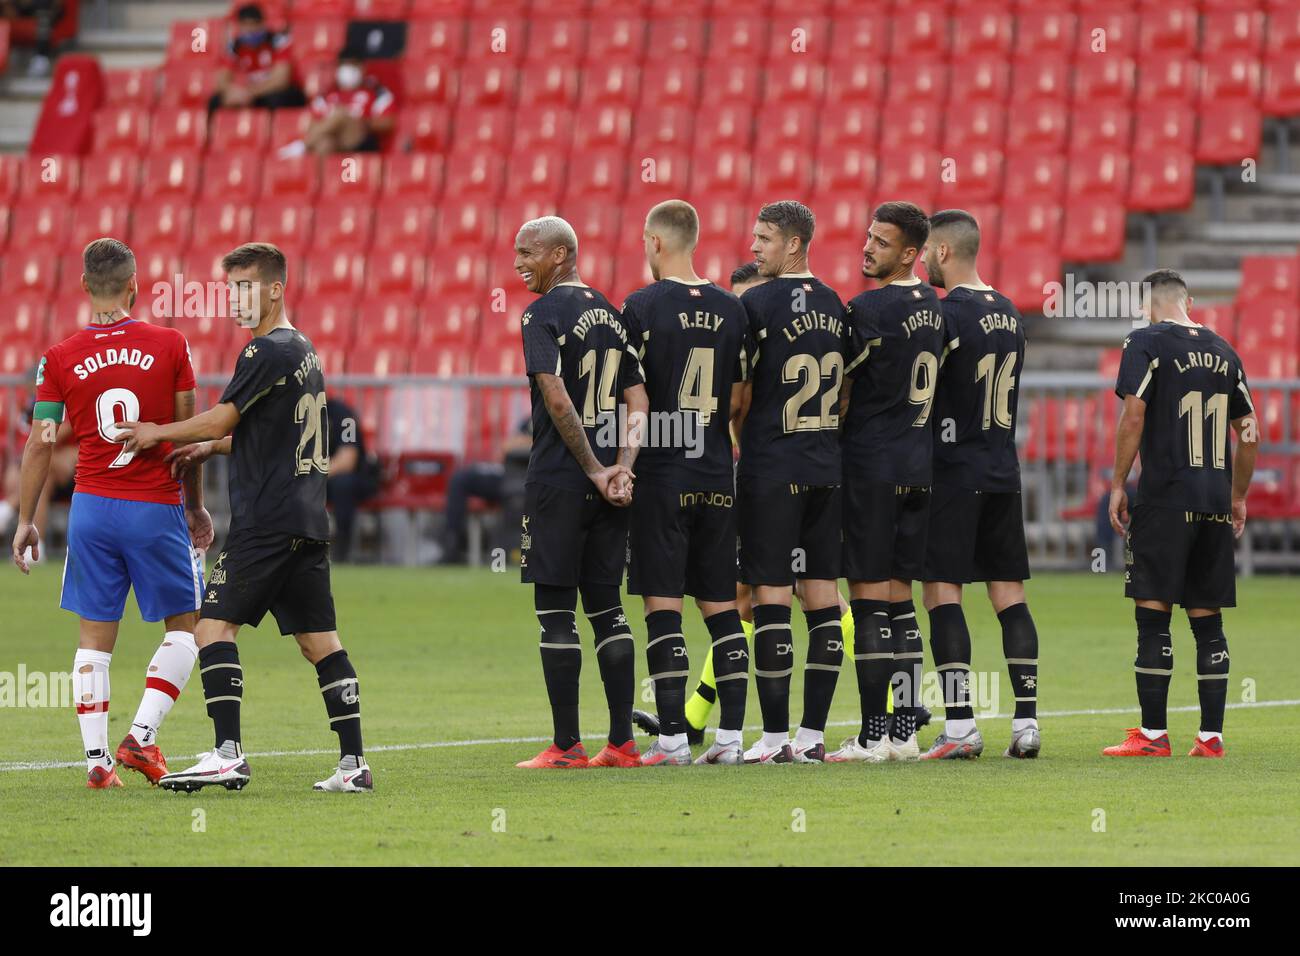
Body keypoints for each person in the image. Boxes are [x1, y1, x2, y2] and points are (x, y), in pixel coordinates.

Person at [117, 242, 372, 793]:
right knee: (319, 642)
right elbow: (275, 434)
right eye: (230, 288)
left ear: (275, 288)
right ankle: (355, 765)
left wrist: (159, 432)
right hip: (307, 519)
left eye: (246, 287)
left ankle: (227, 753)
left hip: (268, 519)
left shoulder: (265, 351)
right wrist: (216, 450)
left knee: (211, 628)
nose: (235, 299)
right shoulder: (304, 349)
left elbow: (220, 416)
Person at [9, 237, 210, 789]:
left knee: (93, 643)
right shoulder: (171, 344)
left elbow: (40, 445)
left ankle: (97, 764)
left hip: (91, 510)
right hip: (152, 507)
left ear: (83, 287)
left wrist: (27, 520)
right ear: (135, 286)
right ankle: (140, 737)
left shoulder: (59, 357)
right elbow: (187, 439)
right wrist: (195, 507)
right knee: (185, 633)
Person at [511, 216, 648, 769]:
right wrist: (623, 467)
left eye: (528, 253)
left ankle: (566, 745)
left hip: (560, 480)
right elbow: (640, 402)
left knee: (555, 612)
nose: (519, 263)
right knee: (609, 609)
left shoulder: (540, 315)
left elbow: (557, 399)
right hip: (609, 486)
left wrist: (594, 468)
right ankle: (621, 744)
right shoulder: (614, 317)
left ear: (562, 254)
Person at [1103, 270, 1257, 759]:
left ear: (1149, 304)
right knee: (1207, 622)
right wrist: (1237, 496)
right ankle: (1211, 737)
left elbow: (1134, 413)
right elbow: (1249, 432)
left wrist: (1117, 483)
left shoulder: (1144, 342)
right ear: (1188, 301)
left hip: (1165, 499)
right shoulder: (1225, 351)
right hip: (1213, 502)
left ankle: (1152, 736)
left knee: (1153, 618)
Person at [620, 200, 750, 767]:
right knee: (723, 608)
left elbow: (631, 398)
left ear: (654, 241)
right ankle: (730, 740)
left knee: (662, 607)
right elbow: (741, 397)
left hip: (663, 474)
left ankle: (671, 738)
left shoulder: (641, 307)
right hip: (718, 471)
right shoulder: (732, 308)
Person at [920, 209, 1042, 760]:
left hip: (953, 472)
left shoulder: (947, 315)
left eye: (926, 251)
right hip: (1002, 470)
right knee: (1009, 596)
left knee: (943, 594)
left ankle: (962, 726)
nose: (923, 260)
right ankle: (1026, 723)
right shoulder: (1011, 314)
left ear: (943, 252)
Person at [828, 201, 942, 764]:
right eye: (868, 236)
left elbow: (841, 393)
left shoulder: (867, 309)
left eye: (882, 241)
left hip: (871, 469)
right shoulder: (936, 308)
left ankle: (873, 737)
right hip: (919, 469)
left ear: (909, 253)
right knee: (901, 606)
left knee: (869, 605)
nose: (867, 247)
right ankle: (903, 732)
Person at [735, 201, 847, 764]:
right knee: (824, 598)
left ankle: (775, 737)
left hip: (772, 468)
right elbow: (846, 394)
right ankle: (813, 736)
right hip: (825, 467)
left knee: (771, 598)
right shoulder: (835, 304)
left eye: (764, 239)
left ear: (794, 245)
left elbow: (738, 394)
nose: (754, 247)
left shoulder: (756, 303)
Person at [439, 417, 531, 565]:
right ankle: (452, 545)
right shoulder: (531, 419)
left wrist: (527, 444)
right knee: (460, 479)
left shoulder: (562, 414)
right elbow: (508, 447)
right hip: (509, 474)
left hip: (536, 478)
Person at [295, 49, 395, 156]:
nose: (347, 70)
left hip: (361, 138)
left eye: (352, 65)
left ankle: (302, 146)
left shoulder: (376, 92)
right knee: (325, 144)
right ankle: (323, 171)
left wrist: (358, 121)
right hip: (337, 139)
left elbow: (388, 122)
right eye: (343, 65)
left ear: (362, 67)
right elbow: (313, 123)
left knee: (340, 114)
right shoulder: (328, 95)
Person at [208, 4, 305, 112]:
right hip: (252, 92)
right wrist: (233, 92)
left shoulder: (278, 42)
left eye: (253, 25)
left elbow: (280, 80)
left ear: (262, 24)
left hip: (281, 92)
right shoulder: (234, 46)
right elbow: (221, 80)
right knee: (215, 100)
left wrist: (249, 93)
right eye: (245, 26)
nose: (249, 31)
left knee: (273, 100)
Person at [325, 395, 378, 563]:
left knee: (343, 484)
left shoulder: (343, 415)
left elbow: (347, 460)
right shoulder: (294, 414)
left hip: (352, 478)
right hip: (318, 479)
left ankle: (343, 547)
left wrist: (311, 474)